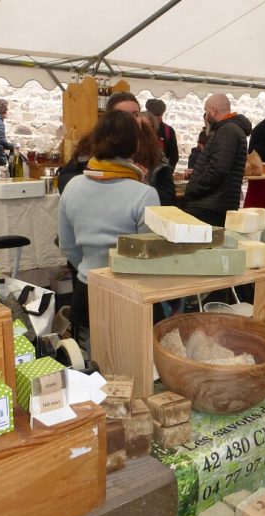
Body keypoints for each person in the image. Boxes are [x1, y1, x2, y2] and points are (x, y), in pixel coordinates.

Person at [58, 110, 160, 349]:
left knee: (91, 368)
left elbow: (67, 246)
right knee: (130, 368)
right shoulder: (144, 194)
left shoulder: (73, 186)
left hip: (87, 287)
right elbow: (150, 257)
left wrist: (92, 266)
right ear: (135, 145)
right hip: (130, 292)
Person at [185, 93, 252, 226]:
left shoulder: (227, 130)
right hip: (216, 204)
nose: (205, 117)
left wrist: (194, 188)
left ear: (213, 111)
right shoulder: (229, 129)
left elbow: (218, 169)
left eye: (205, 111)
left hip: (211, 207)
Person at [140, 111, 177, 206]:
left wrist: (145, 186)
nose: (142, 133)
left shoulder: (161, 163)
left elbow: (169, 199)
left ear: (154, 131)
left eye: (146, 128)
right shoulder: (125, 156)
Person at [145, 98, 179, 168]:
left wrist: (168, 172)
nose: (157, 118)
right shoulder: (141, 127)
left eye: (159, 115)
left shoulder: (169, 131)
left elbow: (174, 156)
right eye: (154, 115)